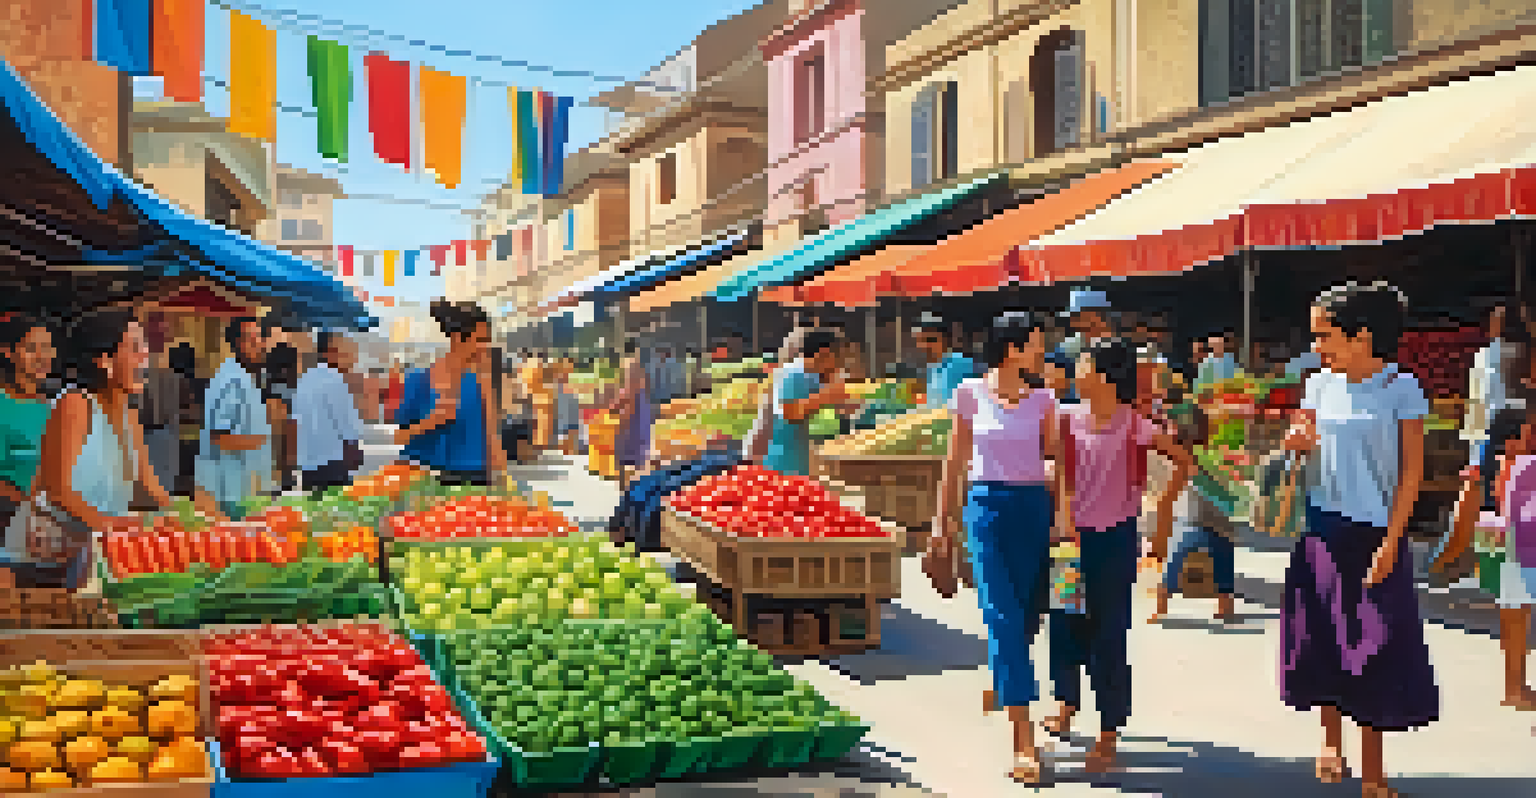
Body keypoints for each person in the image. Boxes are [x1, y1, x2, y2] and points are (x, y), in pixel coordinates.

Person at [1280, 281, 1437, 798]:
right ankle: (1331, 744)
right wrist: (1295, 443)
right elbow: (1299, 450)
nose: (1316, 347)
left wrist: (1393, 541)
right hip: (1322, 528)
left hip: (1375, 535)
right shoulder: (1318, 386)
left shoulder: (1401, 388)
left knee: (1373, 651)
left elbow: (1411, 472)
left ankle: (1374, 774)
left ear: (1362, 335)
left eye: (1324, 335)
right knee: (1322, 638)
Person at [1044, 336, 1192, 774]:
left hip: (1115, 543)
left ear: (1106, 376)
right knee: (1064, 624)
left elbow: (1182, 461)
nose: (1075, 370)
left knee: (1108, 636)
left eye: (1083, 364)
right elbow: (1052, 465)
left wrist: (1163, 505)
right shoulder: (1065, 418)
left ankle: (1108, 731)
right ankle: (1066, 702)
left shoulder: (1135, 425)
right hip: (1069, 544)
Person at [930, 311, 1059, 784]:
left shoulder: (1045, 399)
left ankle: (1006, 679)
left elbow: (1055, 461)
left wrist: (1062, 516)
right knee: (1001, 616)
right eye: (1036, 343)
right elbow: (954, 461)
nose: (1042, 351)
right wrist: (941, 523)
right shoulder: (969, 393)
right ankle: (1024, 738)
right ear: (1012, 348)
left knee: (1028, 615)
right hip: (985, 511)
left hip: (1034, 509)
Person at [6, 311, 170, 591]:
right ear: (105, 360)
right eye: (134, 347)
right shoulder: (75, 404)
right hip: (45, 558)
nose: (145, 355)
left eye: (144, 346)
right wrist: (114, 527)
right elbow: (58, 491)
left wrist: (185, 516)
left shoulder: (129, 416)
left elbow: (148, 486)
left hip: (97, 551)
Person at [1149, 388, 1238, 624]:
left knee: (1174, 561)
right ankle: (1224, 605)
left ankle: (1161, 606)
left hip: (1192, 519)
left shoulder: (1185, 458)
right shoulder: (1211, 454)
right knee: (1222, 561)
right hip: (1215, 519)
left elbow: (1169, 495)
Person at [395, 301, 503, 486]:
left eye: (488, 340)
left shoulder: (482, 381)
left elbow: (492, 437)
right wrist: (431, 422)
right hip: (426, 478)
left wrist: (501, 479)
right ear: (457, 338)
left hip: (474, 477)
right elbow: (400, 437)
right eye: (480, 340)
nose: (485, 347)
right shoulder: (418, 380)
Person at [194, 317, 276, 521]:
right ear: (236, 344)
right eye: (251, 339)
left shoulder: (243, 377)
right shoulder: (231, 382)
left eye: (259, 338)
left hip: (245, 488)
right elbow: (220, 437)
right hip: (233, 490)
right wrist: (262, 440)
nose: (259, 345)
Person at [0, 315, 57, 587]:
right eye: (32, 348)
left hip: (51, 533)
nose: (43, 356)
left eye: (47, 347)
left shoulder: (51, 405)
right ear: (8, 352)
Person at [1464, 303, 1528, 507]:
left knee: (1491, 496)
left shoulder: (1485, 355)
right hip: (1524, 430)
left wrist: (1473, 456)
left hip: (1493, 428)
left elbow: (1477, 402)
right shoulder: (1526, 353)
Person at [763, 331, 850, 477]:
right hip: (781, 458)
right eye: (838, 357)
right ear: (824, 354)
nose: (840, 363)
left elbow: (840, 404)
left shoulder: (814, 375)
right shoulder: (791, 374)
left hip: (799, 455)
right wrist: (827, 395)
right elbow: (790, 413)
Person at [295, 332, 366, 493]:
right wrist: (355, 453)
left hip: (308, 466)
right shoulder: (335, 379)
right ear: (331, 352)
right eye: (346, 348)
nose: (352, 355)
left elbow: (296, 423)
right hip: (334, 464)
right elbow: (347, 426)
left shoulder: (304, 379)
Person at [1049, 289, 1117, 404]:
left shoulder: (1119, 350)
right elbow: (1054, 390)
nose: (1074, 321)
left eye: (1078, 316)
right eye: (1073, 316)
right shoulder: (1064, 350)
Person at [140, 345, 183, 500]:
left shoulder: (169, 377)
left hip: (161, 433)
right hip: (160, 433)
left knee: (162, 482)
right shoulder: (171, 377)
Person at [609, 341, 653, 492]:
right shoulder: (637, 365)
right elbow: (633, 390)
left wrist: (620, 408)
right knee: (638, 449)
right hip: (640, 408)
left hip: (633, 409)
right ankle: (635, 486)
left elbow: (628, 392)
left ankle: (624, 486)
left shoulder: (629, 365)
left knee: (624, 447)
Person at [912, 313, 977, 410]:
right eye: (921, 341)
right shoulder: (932, 368)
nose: (925, 346)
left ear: (946, 340)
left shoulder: (962, 364)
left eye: (932, 340)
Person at [263, 341, 300, 492]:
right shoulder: (290, 385)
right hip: (285, 411)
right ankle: (285, 475)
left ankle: (280, 476)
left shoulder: (269, 383)